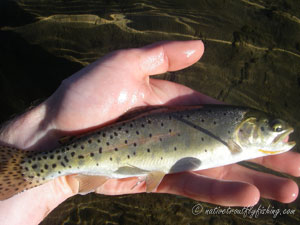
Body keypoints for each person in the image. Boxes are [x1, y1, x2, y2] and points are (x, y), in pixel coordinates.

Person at [0, 40, 299, 225]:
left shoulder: (235, 134)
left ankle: (27, 165)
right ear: (246, 128)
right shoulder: (231, 128)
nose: (281, 133)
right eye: (272, 128)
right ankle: (29, 166)